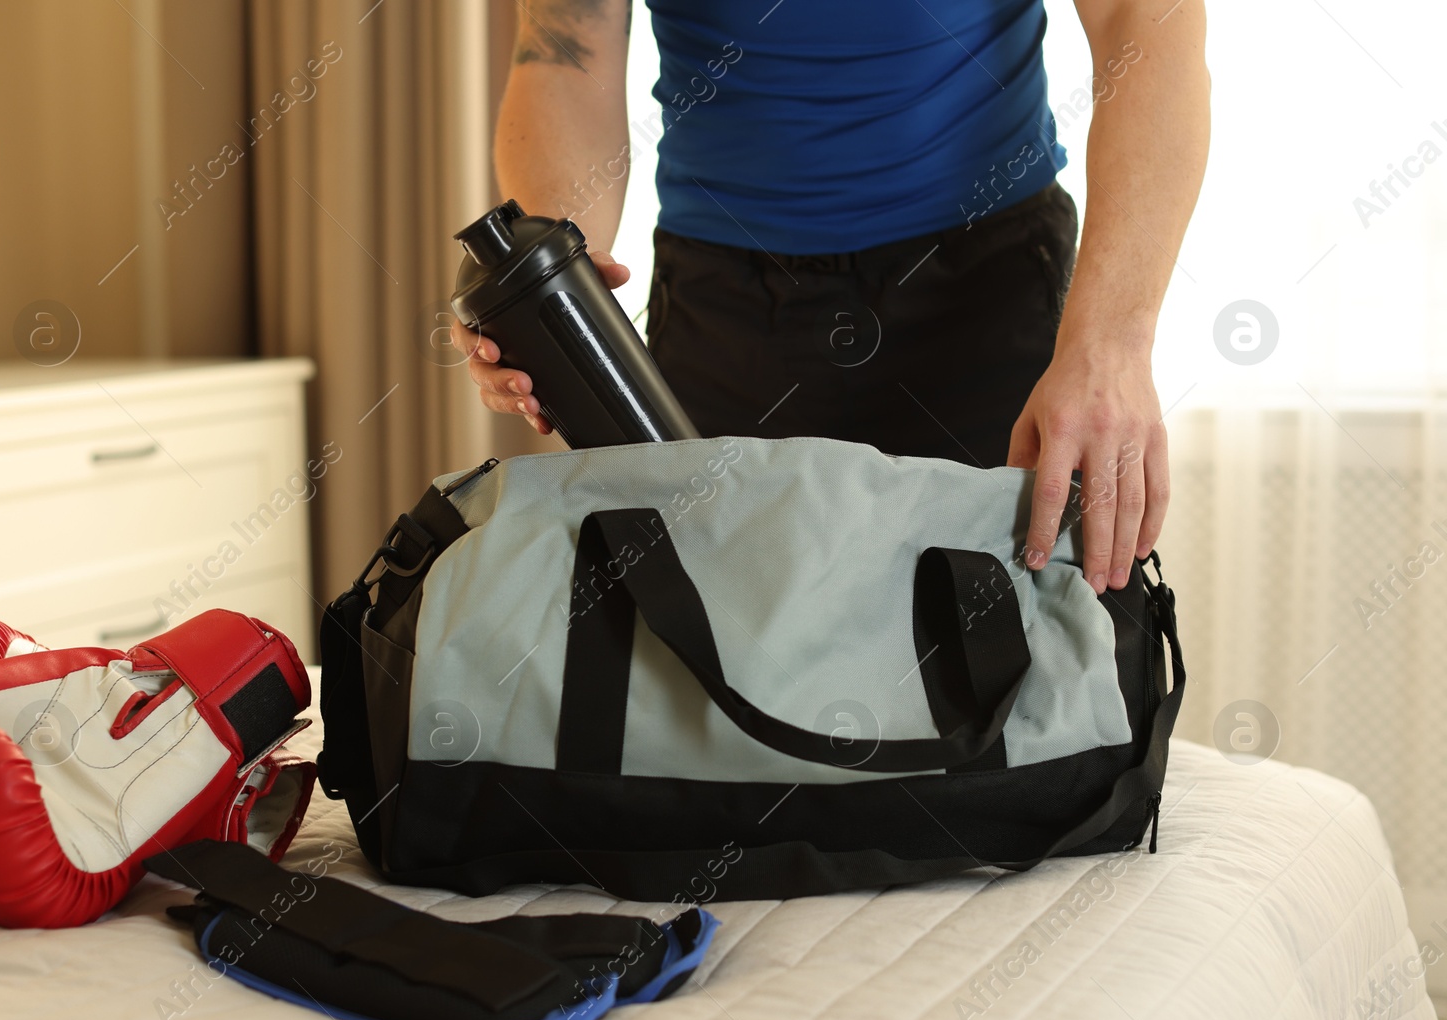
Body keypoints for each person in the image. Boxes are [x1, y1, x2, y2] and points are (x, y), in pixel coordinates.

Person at [451, 0, 1208, 595]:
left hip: (984, 291)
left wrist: (1112, 343)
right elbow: (566, 44)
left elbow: (1147, 22)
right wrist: (551, 293)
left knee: (1008, 666)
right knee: (716, 665)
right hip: (729, 310)